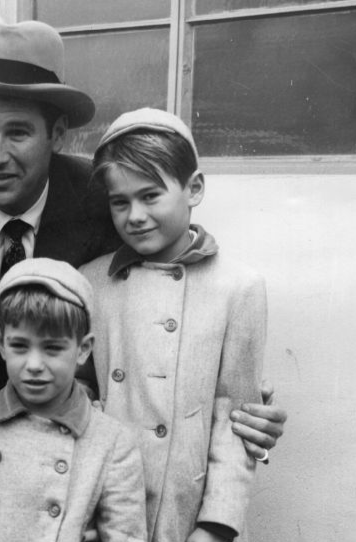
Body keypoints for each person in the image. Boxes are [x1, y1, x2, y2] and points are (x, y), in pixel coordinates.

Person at [0, 19, 285, 459]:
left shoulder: (109, 202)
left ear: (57, 134)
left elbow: (177, 292)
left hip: (77, 464)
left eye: (17, 132)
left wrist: (239, 409)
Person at [79, 108, 265, 542]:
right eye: (120, 202)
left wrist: (214, 528)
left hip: (188, 510)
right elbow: (76, 391)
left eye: (150, 196)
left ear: (193, 188)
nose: (135, 215)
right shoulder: (91, 280)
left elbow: (236, 421)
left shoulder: (239, 287)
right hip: (106, 509)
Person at [0, 258, 146, 542]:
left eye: (52, 348)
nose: (34, 365)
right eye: (20, 346)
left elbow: (126, 536)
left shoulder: (113, 443)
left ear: (83, 349)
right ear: (1, 343)